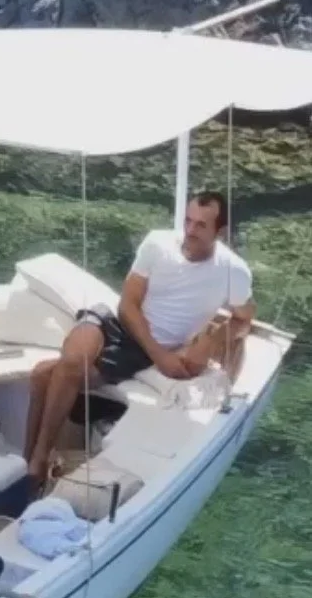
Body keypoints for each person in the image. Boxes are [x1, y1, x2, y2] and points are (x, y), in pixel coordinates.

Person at [25, 191, 254, 486]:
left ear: (220, 232)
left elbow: (244, 319)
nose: (190, 230)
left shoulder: (233, 271)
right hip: (114, 322)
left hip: (137, 351)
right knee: (73, 359)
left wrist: (211, 340)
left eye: (201, 225)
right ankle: (39, 457)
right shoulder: (157, 244)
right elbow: (127, 305)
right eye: (188, 221)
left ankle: (29, 463)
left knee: (43, 375)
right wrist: (160, 355)